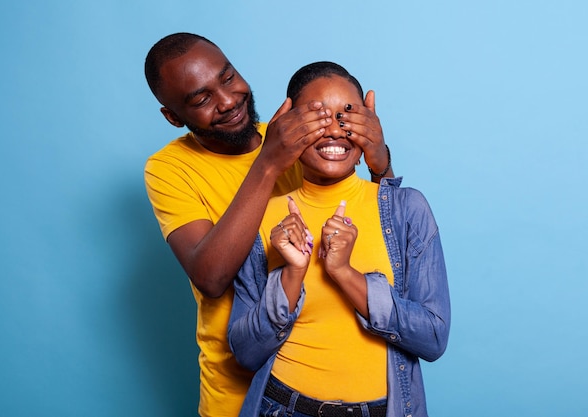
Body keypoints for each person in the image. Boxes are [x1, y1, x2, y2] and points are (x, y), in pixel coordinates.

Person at [143, 33, 394, 417]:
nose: (228, 101)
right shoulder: (169, 169)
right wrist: (268, 162)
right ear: (174, 116)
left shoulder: (296, 135)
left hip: (320, 385)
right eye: (201, 98)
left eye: (228, 78)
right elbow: (210, 278)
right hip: (236, 393)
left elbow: (382, 228)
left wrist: (381, 163)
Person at [228, 62, 450, 417]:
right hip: (281, 406)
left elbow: (433, 338)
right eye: (317, 117)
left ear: (368, 127)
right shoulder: (260, 219)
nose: (333, 130)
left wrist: (345, 274)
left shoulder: (407, 209)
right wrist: (291, 274)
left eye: (347, 117)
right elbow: (245, 352)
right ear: (289, 125)